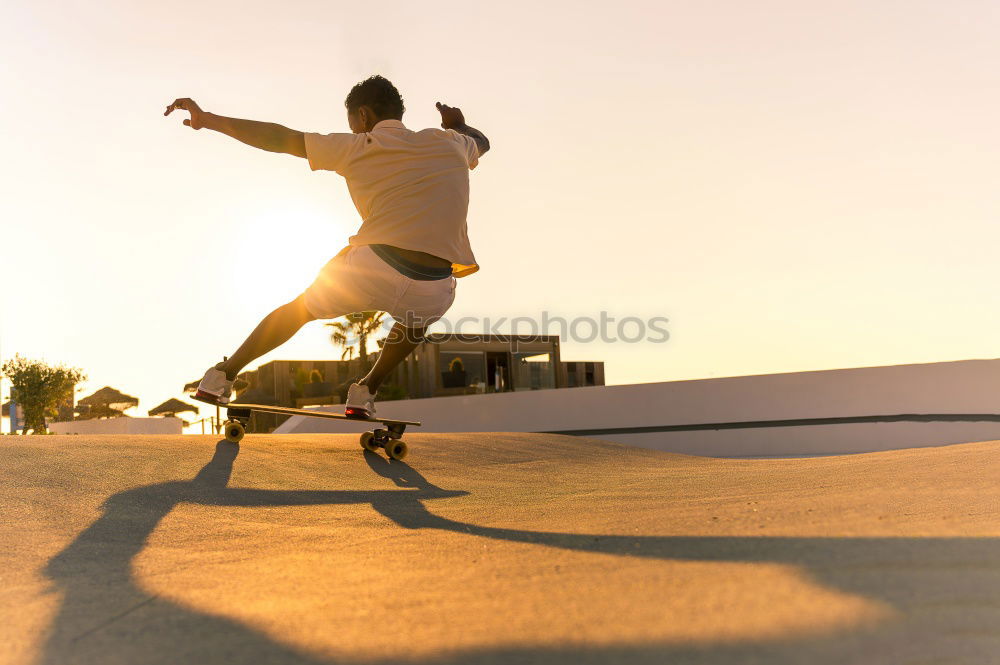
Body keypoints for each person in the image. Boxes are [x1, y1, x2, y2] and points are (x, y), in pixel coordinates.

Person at [165, 75, 489, 418]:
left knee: (300, 309)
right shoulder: (451, 143)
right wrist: (460, 123)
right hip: (435, 285)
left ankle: (221, 376)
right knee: (417, 321)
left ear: (362, 115)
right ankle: (365, 392)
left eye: (351, 122)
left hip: (372, 266)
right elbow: (481, 141)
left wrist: (208, 120)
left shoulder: (359, 145)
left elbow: (278, 138)